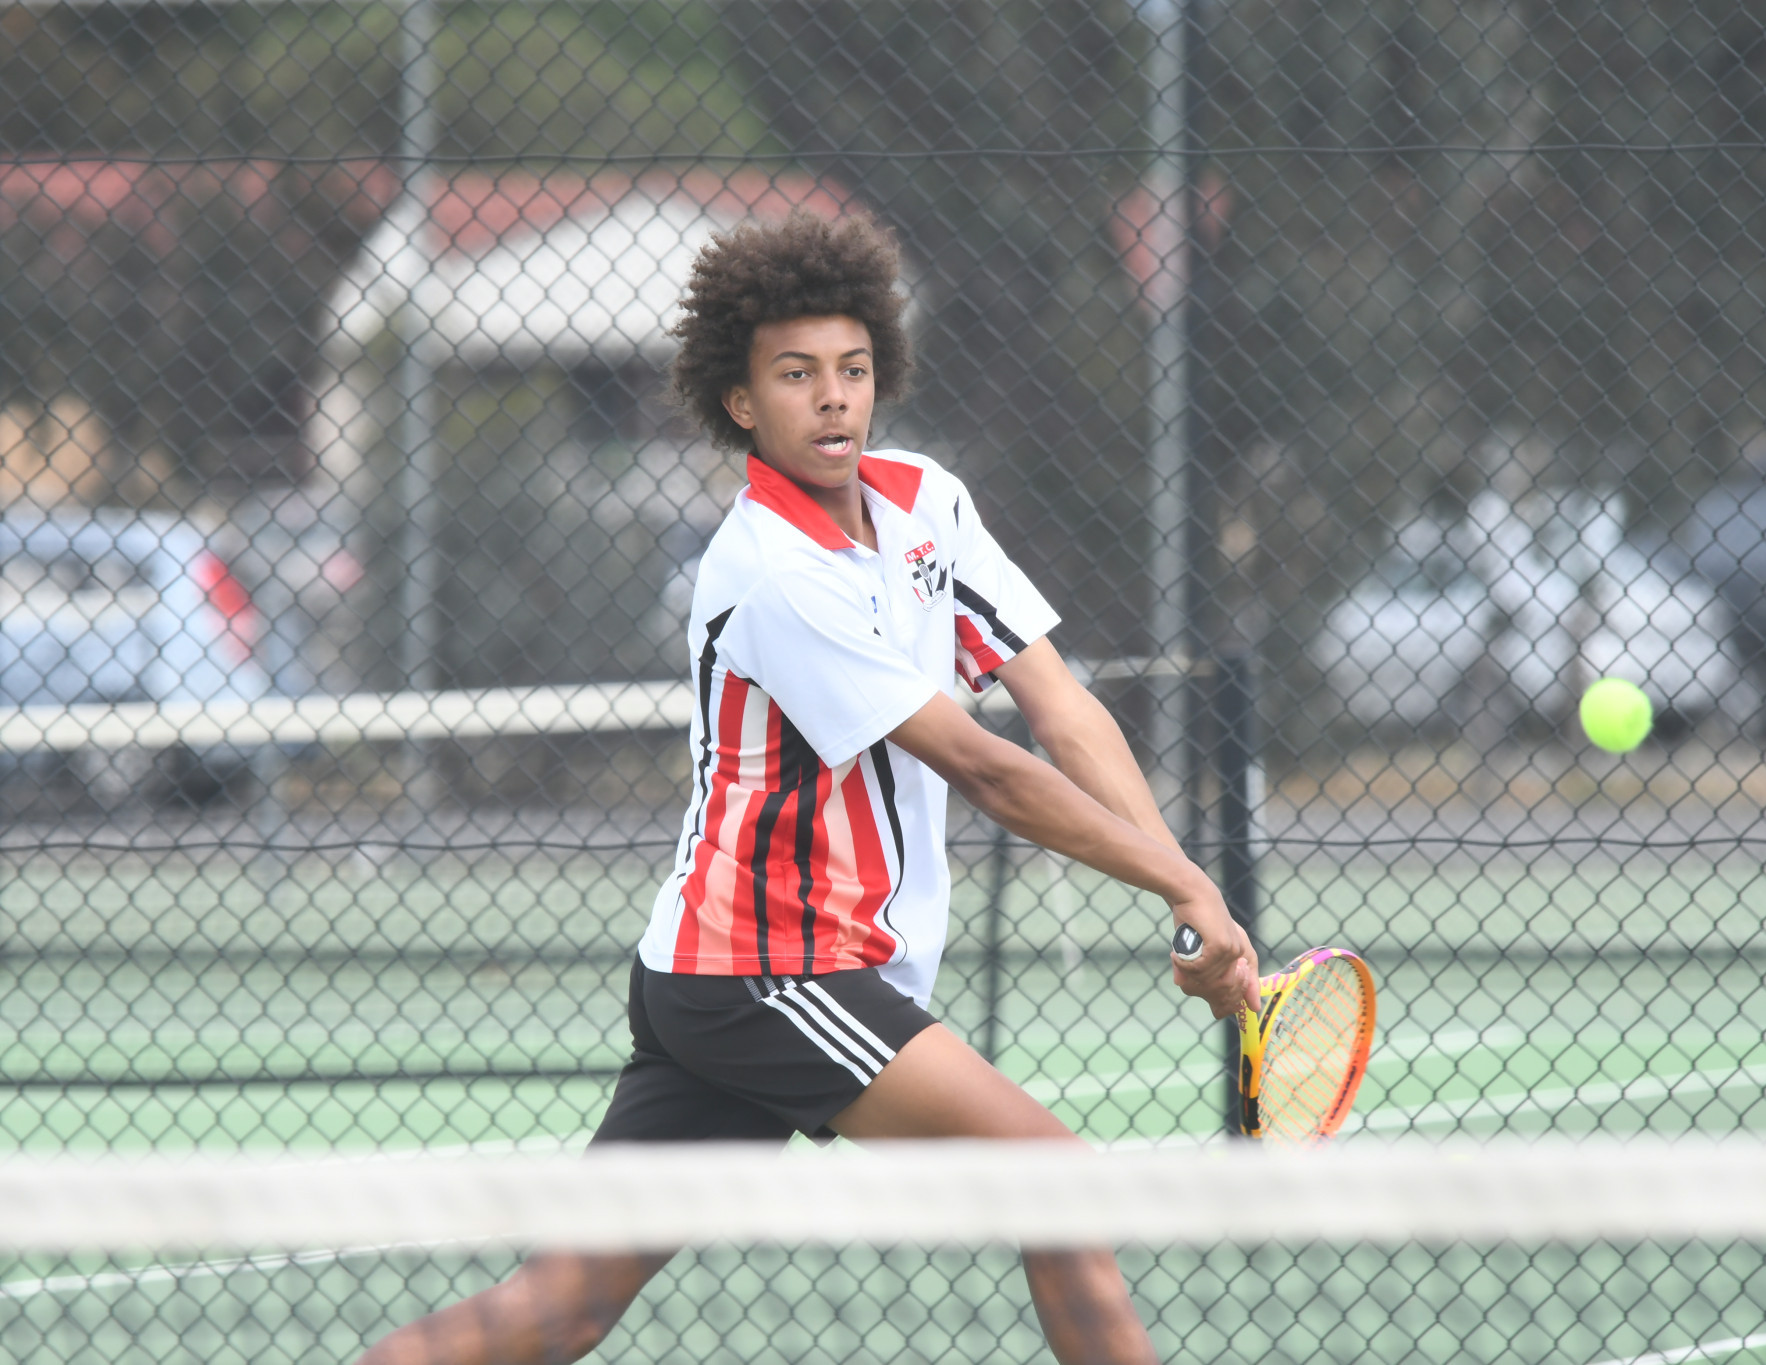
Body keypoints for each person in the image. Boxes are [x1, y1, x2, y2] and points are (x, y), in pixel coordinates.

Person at [353, 211, 1259, 1365]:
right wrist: (1186, 882)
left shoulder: (925, 503)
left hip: (721, 972)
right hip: (766, 968)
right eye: (795, 375)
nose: (832, 398)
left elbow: (1060, 709)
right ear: (740, 401)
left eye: (852, 369)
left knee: (557, 1312)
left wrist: (1189, 899)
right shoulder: (770, 572)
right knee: (1056, 1184)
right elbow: (984, 766)